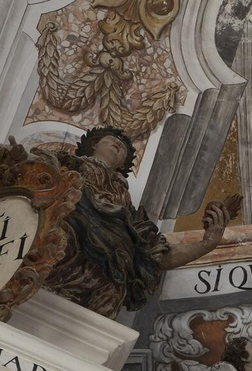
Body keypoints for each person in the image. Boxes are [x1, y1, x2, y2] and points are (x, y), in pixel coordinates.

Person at [46, 125, 231, 318]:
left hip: (105, 267)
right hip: (67, 238)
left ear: (122, 165)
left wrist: (207, 244)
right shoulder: (70, 165)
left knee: (112, 287)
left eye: (124, 148)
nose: (118, 143)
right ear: (93, 145)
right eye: (110, 139)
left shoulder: (128, 210)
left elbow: (152, 256)